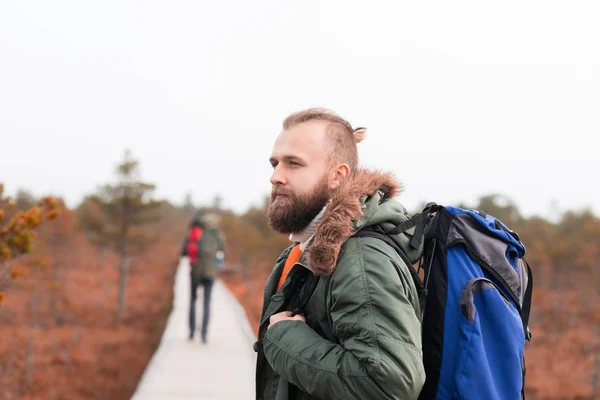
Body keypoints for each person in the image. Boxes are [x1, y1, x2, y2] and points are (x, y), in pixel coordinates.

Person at [254, 108, 426, 399]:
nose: (275, 176)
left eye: (294, 164)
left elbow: (391, 384)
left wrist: (285, 338)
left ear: (337, 176)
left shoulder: (360, 259)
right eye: (275, 163)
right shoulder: (307, 249)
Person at [181, 211, 225, 343]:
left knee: (193, 300)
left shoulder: (194, 233)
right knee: (207, 301)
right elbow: (223, 253)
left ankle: (191, 332)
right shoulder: (217, 234)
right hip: (210, 273)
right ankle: (204, 335)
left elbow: (184, 252)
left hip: (195, 272)